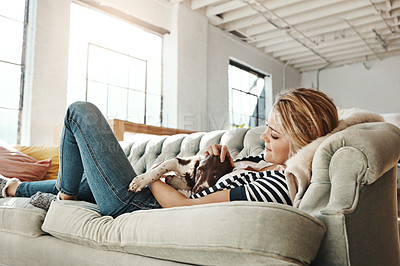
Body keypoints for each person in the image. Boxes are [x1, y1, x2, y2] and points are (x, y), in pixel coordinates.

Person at [0, 88, 339, 217]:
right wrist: (215, 157)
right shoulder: (262, 162)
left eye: (275, 134)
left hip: (147, 204)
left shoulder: (279, 183)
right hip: (156, 190)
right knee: (87, 176)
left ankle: (64, 201)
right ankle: (12, 188)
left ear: (301, 143)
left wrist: (151, 176)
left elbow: (185, 206)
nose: (263, 136)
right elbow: (211, 181)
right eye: (267, 126)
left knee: (78, 111)